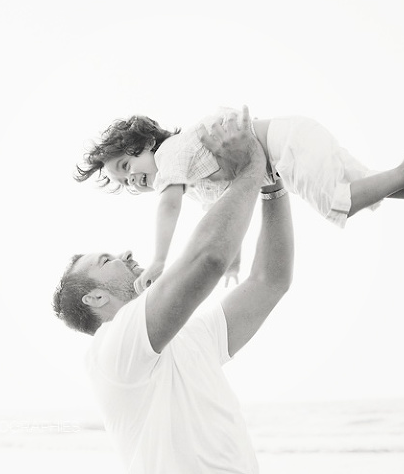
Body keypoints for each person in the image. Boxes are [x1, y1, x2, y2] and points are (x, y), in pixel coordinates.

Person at [53, 106, 294, 473]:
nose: (127, 253)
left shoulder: (189, 337)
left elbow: (270, 281)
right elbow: (209, 259)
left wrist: (272, 185)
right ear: (96, 297)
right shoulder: (112, 350)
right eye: (107, 260)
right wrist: (250, 168)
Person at [76, 106, 404, 292]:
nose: (134, 181)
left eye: (127, 168)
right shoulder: (199, 179)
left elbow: (169, 206)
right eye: (123, 182)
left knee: (337, 204)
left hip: (288, 145)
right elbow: (225, 218)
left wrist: (162, 259)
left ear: (146, 144)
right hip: (295, 141)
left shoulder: (171, 154)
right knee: (370, 191)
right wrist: (232, 263)